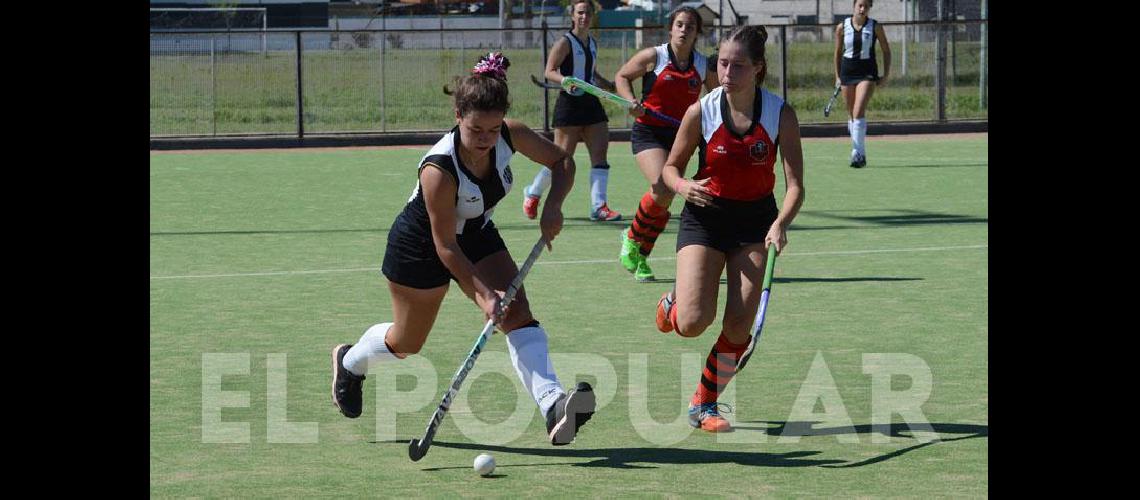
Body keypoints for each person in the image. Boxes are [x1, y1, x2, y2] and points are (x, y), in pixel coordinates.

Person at [331, 53, 596, 446]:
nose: (486, 139)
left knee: (518, 312)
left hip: (475, 230)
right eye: (476, 129)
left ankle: (554, 405)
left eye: (493, 129)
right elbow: (445, 245)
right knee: (407, 342)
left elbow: (563, 163)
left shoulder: (511, 134)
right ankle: (350, 363)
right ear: (458, 115)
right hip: (421, 246)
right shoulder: (438, 169)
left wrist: (553, 205)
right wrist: (486, 296)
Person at [655, 25, 806, 432]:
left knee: (740, 324)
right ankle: (674, 302)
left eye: (737, 66)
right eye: (722, 63)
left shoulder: (780, 115)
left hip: (756, 221)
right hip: (704, 217)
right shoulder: (700, 111)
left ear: (757, 69)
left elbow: (795, 187)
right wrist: (684, 185)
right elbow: (670, 169)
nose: (727, 72)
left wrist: (780, 223)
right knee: (690, 324)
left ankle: (705, 403)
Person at [613, 6, 718, 282]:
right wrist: (631, 102)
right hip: (649, 132)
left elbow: (717, 99)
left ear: (697, 34)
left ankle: (641, 256)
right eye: (680, 25)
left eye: (690, 27)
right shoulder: (654, 56)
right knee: (662, 185)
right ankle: (632, 238)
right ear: (671, 28)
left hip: (681, 137)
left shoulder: (703, 65)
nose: (684, 30)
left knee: (667, 196)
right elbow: (621, 77)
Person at [522, 0, 622, 223]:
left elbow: (590, 71)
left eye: (588, 12)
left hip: (592, 104)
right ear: (572, 16)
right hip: (569, 106)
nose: (584, 16)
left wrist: (608, 85)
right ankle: (533, 192)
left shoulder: (592, 43)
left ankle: (599, 207)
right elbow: (549, 71)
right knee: (561, 159)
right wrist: (566, 80)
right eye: (580, 12)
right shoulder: (564, 43)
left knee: (600, 156)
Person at [833, 0, 891, 168]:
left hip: (867, 73)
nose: (862, 9)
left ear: (869, 8)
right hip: (847, 73)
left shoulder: (875, 27)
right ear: (854, 6)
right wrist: (838, 77)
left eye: (866, 6)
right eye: (860, 5)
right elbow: (837, 53)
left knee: (858, 111)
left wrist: (885, 75)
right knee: (851, 113)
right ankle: (857, 151)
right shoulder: (842, 27)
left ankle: (858, 152)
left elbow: (886, 51)